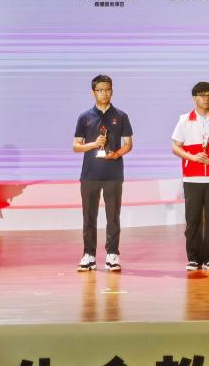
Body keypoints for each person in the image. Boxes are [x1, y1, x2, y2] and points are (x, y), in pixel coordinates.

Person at [73, 74, 133, 272]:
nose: (104, 93)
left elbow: (128, 144)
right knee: (89, 216)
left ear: (112, 91)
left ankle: (112, 254)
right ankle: (88, 255)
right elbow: (76, 146)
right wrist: (93, 144)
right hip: (89, 174)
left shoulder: (121, 116)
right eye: (100, 90)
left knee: (113, 217)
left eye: (107, 90)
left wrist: (117, 154)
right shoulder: (85, 117)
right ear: (93, 93)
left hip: (113, 174)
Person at [171, 81, 209, 272]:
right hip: (192, 177)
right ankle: (193, 258)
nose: (206, 99)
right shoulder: (185, 120)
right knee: (193, 220)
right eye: (202, 95)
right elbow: (175, 147)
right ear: (194, 98)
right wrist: (192, 157)